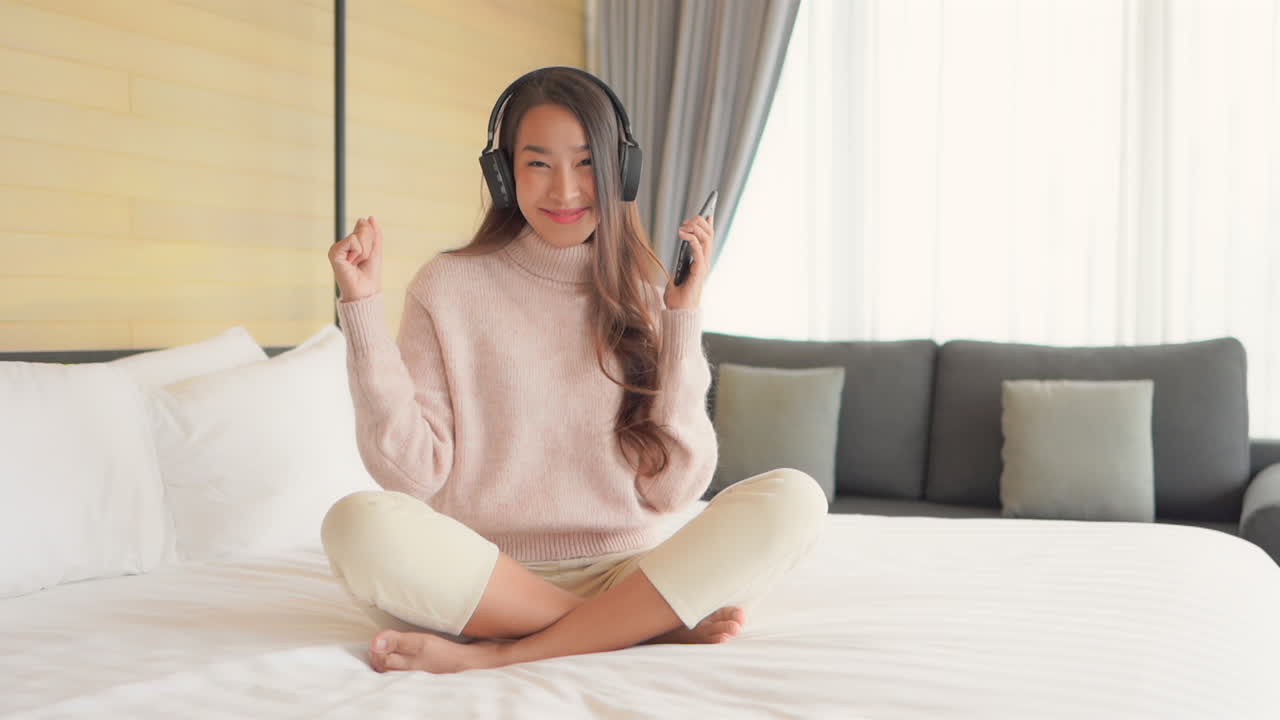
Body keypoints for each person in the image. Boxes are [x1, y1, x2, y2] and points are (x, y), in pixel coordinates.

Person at [321, 66, 827, 675]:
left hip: (631, 571)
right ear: (504, 175)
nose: (564, 190)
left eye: (586, 162)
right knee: (356, 524)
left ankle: (504, 653)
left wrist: (681, 317)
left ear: (621, 171)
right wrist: (362, 311)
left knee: (796, 498)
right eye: (538, 164)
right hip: (486, 580)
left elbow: (675, 488)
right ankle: (636, 630)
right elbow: (411, 473)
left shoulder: (646, 288)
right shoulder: (447, 287)